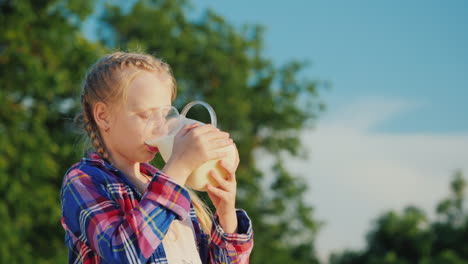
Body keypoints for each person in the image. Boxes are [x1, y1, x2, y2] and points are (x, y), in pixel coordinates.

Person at [60, 51, 254, 264]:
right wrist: (179, 166)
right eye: (146, 115)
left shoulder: (170, 188)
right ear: (103, 116)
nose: (161, 128)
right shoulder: (84, 180)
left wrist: (226, 215)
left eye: (164, 116)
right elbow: (125, 253)